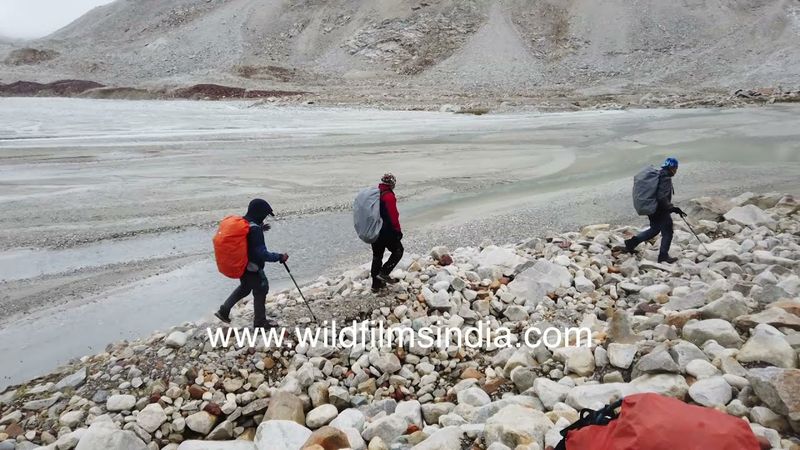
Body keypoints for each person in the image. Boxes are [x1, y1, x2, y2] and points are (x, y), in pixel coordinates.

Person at [215, 198, 288, 328]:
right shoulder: (255, 230)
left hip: (242, 265)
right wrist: (279, 257)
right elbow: (262, 253)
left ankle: (223, 310)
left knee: (245, 288)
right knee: (261, 288)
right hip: (253, 267)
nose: (265, 218)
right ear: (259, 213)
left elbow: (248, 238)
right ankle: (260, 322)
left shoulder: (245, 223)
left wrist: (260, 228)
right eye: (265, 215)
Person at [624, 157, 686, 264]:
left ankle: (632, 243)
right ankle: (663, 256)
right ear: (672, 168)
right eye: (676, 168)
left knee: (655, 229)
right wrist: (672, 208)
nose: (676, 170)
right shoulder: (665, 178)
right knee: (668, 232)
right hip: (660, 210)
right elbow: (662, 197)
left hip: (652, 208)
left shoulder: (659, 175)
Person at [371, 173, 404, 292]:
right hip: (386, 231)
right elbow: (393, 216)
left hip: (375, 231)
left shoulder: (375, 194)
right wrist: (398, 231)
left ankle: (375, 285)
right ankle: (384, 272)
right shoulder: (389, 196)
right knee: (398, 251)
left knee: (377, 257)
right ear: (392, 184)